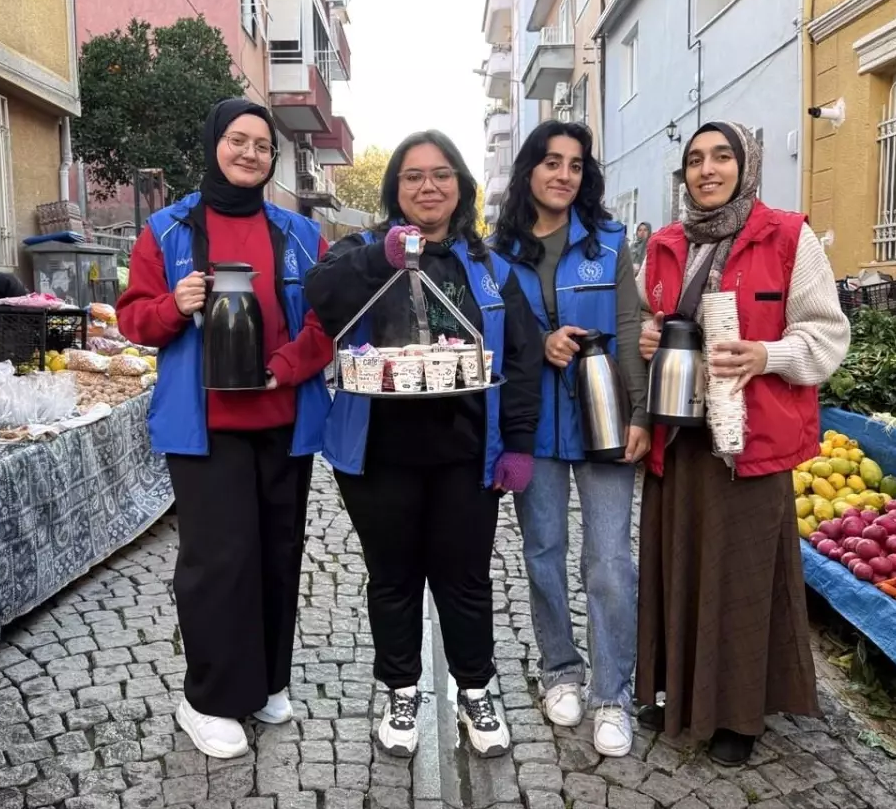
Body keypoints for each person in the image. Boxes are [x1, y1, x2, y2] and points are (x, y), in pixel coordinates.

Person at [305, 130, 543, 759]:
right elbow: (320, 295)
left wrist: (518, 443)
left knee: (465, 581)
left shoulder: (490, 268)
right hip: (378, 455)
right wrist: (380, 257)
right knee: (393, 578)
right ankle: (401, 689)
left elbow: (521, 362)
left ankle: (475, 689)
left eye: (441, 174)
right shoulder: (362, 250)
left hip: (467, 456)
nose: (428, 186)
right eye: (413, 176)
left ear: (461, 186)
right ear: (395, 189)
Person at [117, 98, 334, 759]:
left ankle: (266, 681)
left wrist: (284, 367)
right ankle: (207, 699)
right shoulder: (167, 230)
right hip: (204, 426)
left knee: (277, 553)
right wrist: (172, 305)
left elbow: (325, 322)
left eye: (262, 146)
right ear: (214, 144)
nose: (250, 153)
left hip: (282, 419)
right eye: (238, 140)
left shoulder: (301, 234)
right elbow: (132, 318)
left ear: (273, 159)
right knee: (219, 562)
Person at [634, 121, 850, 765]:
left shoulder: (787, 237)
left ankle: (737, 715)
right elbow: (648, 313)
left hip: (750, 444)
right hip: (681, 439)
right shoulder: (666, 245)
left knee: (745, 579)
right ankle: (677, 692)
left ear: (746, 165)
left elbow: (827, 337)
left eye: (722, 156)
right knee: (679, 567)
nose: (708, 169)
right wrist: (648, 334)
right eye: (696, 159)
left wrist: (765, 354)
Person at [490, 120, 650, 757]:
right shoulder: (498, 251)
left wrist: (642, 414)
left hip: (604, 418)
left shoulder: (609, 243)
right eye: (552, 161)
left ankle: (612, 693)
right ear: (529, 169)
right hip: (533, 424)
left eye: (575, 165)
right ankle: (560, 669)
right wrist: (539, 344)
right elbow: (494, 337)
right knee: (542, 553)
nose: (563, 174)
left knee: (609, 561)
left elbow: (631, 324)